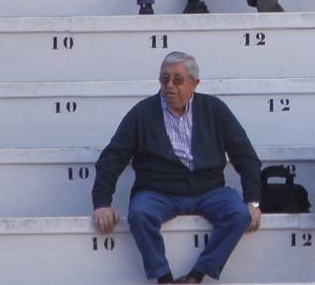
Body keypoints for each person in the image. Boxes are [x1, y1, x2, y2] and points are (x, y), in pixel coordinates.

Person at [91, 52, 261, 284]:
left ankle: (196, 276)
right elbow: (112, 157)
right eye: (164, 79)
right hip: (158, 192)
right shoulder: (142, 113)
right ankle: (164, 278)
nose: (169, 86)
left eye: (178, 80)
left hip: (209, 190)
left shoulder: (214, 109)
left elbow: (245, 155)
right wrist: (102, 203)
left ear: (194, 83)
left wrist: (253, 201)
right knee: (140, 214)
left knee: (239, 213)